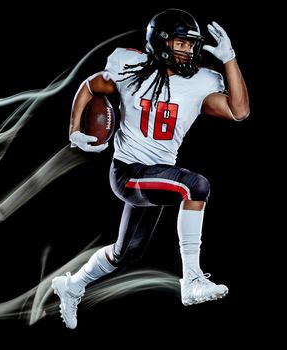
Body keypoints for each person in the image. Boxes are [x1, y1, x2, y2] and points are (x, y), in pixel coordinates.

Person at [51, 8, 249, 329]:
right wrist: (75, 131)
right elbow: (90, 86)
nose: (188, 50)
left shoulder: (200, 81)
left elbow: (238, 111)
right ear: (160, 42)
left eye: (190, 44)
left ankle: (72, 285)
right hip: (128, 173)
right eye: (181, 43)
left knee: (124, 254)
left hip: (157, 175)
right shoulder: (130, 65)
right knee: (195, 186)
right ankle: (192, 280)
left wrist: (229, 59)